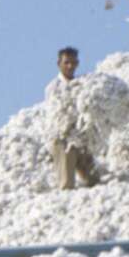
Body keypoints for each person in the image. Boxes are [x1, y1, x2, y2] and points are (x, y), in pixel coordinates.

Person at [43, 46, 101, 190]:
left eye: (73, 63)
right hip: (62, 139)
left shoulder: (82, 84)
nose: (70, 66)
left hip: (80, 138)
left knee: (94, 180)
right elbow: (59, 115)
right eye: (66, 62)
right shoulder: (53, 88)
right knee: (67, 183)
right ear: (59, 64)